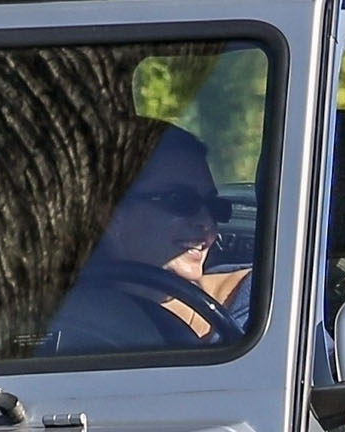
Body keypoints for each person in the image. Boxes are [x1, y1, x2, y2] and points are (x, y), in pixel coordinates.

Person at [38, 121, 251, 353]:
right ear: (109, 213)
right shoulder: (46, 320)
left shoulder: (269, 303)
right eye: (180, 201)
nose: (206, 221)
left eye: (214, 206)